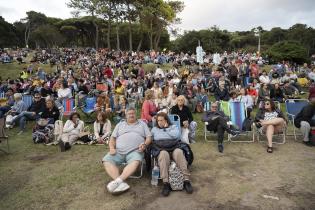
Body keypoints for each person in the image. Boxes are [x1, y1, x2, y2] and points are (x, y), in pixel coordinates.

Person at [102, 107, 152, 194]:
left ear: (135, 114)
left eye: (133, 113)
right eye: (129, 114)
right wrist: (112, 148)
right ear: (126, 115)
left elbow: (149, 137)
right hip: (118, 151)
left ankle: (118, 181)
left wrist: (144, 144)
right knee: (106, 160)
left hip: (135, 151)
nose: (131, 115)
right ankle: (120, 184)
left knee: (136, 161)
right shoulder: (120, 125)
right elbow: (112, 139)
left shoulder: (142, 124)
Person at [151, 112, 193, 196]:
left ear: (166, 120)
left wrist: (166, 129)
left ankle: (186, 180)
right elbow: (155, 138)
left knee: (179, 152)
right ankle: (166, 183)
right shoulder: (154, 129)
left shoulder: (173, 127)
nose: (159, 122)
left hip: (174, 147)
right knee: (163, 154)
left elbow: (176, 136)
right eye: (158, 120)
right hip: (161, 149)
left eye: (161, 120)